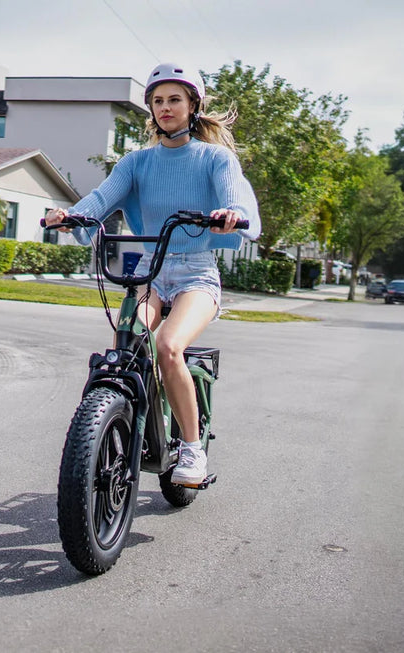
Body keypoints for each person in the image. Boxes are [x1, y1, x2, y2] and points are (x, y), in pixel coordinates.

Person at [45, 62, 261, 485]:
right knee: (126, 346)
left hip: (196, 275)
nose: (165, 107)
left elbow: (237, 197)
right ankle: (125, 424)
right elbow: (102, 198)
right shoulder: (137, 163)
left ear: (193, 105)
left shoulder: (214, 158)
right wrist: (71, 216)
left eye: (174, 99)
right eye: (158, 100)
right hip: (149, 271)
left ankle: (192, 448)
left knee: (168, 346)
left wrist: (232, 215)